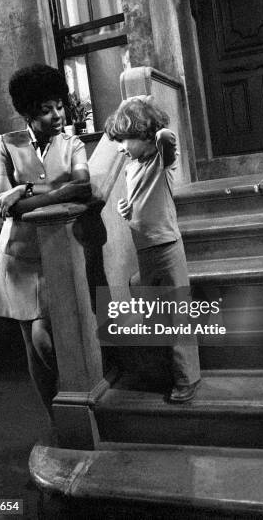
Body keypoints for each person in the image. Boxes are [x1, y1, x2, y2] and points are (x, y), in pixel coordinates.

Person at [0, 64, 92, 422]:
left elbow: (82, 187)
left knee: (44, 339)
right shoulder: (7, 145)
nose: (58, 115)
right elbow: (6, 206)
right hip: (17, 259)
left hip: (57, 252)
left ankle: (74, 398)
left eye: (60, 106)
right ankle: (56, 419)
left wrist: (26, 189)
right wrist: (35, 194)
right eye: (46, 110)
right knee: (33, 351)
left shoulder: (73, 144)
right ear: (29, 113)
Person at [105, 96, 201, 403]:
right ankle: (167, 371)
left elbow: (166, 137)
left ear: (145, 136)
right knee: (157, 316)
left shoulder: (162, 161)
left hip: (167, 247)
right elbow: (141, 203)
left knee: (177, 316)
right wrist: (126, 208)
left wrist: (140, 111)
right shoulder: (133, 167)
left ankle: (187, 378)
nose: (121, 148)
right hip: (144, 249)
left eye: (125, 140)